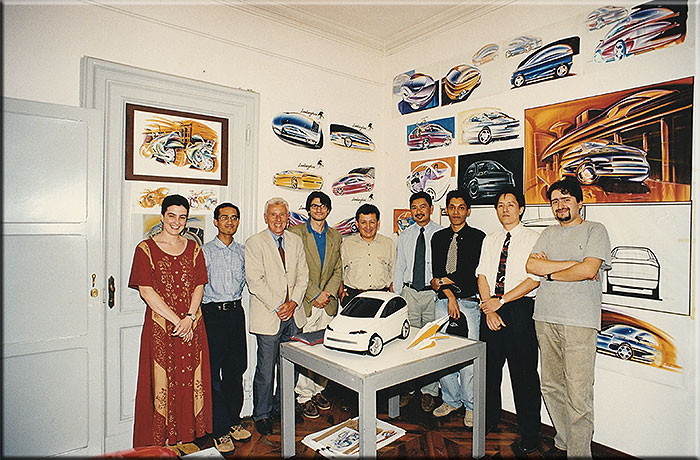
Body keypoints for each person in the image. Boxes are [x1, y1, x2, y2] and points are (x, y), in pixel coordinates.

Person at [526, 178, 610, 458]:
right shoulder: (548, 233)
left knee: (578, 392)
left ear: (579, 202)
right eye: (555, 201)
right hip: (545, 317)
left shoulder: (595, 231)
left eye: (565, 199)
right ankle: (563, 440)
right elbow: (532, 265)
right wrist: (570, 267)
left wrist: (549, 272)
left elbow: (589, 271)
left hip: (579, 322)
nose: (560, 205)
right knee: (550, 386)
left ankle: (579, 453)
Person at [128, 194, 212, 452]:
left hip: (191, 324)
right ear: (163, 215)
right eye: (172, 215)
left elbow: (199, 285)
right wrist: (178, 321)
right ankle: (162, 442)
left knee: (188, 377)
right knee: (162, 381)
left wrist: (189, 318)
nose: (177, 222)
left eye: (182, 217)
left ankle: (185, 437)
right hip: (161, 327)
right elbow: (146, 291)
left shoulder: (194, 248)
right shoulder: (145, 248)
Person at [475, 187, 541, 453]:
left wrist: (501, 302)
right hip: (490, 307)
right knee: (489, 372)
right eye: (500, 205)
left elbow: (534, 279)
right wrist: (489, 309)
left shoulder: (535, 238)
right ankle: (489, 420)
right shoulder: (490, 239)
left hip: (519, 310)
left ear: (521, 208)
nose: (505, 209)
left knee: (524, 375)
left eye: (510, 204)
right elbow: (482, 275)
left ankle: (530, 433)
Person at [245, 197, 309, 437]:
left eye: (282, 214)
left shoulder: (295, 241)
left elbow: (303, 275)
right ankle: (262, 414)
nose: (278, 219)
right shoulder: (254, 243)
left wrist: (293, 303)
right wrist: (279, 305)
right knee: (265, 369)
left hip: (294, 315)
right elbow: (255, 281)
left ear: (288, 216)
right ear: (265, 217)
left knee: (290, 368)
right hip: (269, 316)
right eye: (273, 215)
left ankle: (284, 408)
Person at [430, 189, 485, 427]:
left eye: (461, 207)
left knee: (468, 356)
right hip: (444, 302)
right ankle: (451, 400)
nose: (456, 212)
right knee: (442, 354)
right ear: (447, 210)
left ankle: (471, 406)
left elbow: (469, 273)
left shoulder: (478, 237)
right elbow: (436, 273)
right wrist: (449, 293)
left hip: (470, 303)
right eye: (451, 207)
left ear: (468, 211)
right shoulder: (438, 238)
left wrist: (443, 281)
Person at [200, 203, 252, 453]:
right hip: (212, 316)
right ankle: (219, 430)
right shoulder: (205, 251)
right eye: (224, 218)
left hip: (235, 314)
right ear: (215, 221)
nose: (229, 222)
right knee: (214, 375)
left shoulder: (243, 251)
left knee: (236, 370)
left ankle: (233, 421)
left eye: (234, 218)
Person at [288, 191, 342, 419]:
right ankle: (303, 396)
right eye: (314, 205)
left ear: (328, 210)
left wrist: (327, 293)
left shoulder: (335, 235)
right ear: (308, 209)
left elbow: (338, 268)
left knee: (325, 347)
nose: (318, 209)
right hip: (308, 303)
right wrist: (315, 294)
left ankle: (319, 390)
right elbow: (294, 270)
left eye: (323, 206)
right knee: (308, 350)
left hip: (328, 303)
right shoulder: (296, 234)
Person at [393, 191, 442, 412]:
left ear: (430, 208)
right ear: (410, 210)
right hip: (410, 293)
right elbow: (400, 266)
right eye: (414, 207)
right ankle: (409, 387)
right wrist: (398, 296)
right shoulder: (405, 235)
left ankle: (429, 391)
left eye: (423, 207)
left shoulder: (441, 234)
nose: (419, 211)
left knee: (430, 342)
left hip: (432, 294)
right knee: (409, 342)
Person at [340, 203, 395, 304]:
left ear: (378, 223)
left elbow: (394, 271)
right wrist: (340, 292)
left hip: (382, 297)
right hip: (354, 297)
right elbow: (339, 271)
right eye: (363, 222)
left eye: (372, 222)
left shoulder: (388, 243)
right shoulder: (347, 244)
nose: (368, 227)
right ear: (357, 224)